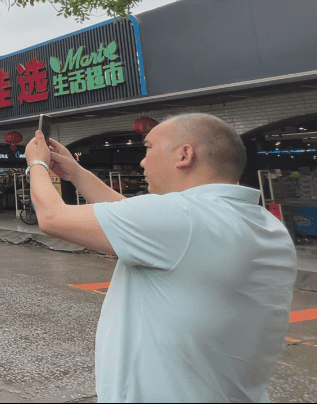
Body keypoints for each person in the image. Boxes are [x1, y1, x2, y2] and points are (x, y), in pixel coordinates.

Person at [23, 113, 296, 402]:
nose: (142, 161)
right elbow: (135, 219)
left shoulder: (183, 218)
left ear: (184, 155)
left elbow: (52, 218)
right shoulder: (266, 226)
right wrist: (76, 173)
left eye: (149, 148)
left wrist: (37, 164)